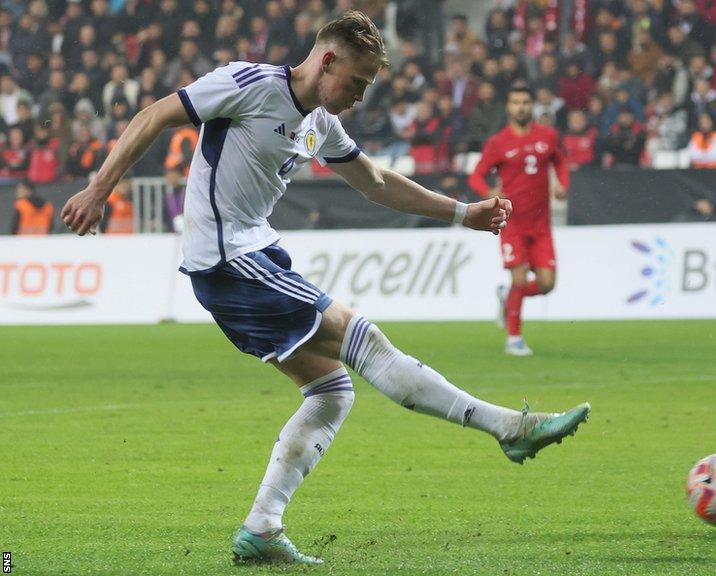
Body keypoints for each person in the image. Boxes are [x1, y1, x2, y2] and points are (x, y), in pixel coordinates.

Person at [60, 11, 590, 565]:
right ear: (327, 59)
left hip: (253, 255)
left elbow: (378, 184)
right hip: (225, 260)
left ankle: (261, 527)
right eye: (357, 82)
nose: (359, 97)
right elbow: (155, 114)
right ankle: (507, 427)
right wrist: (100, 189)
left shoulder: (321, 123)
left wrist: (463, 213)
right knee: (364, 341)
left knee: (332, 392)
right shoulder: (249, 85)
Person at [468, 86, 568, 356]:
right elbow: (476, 175)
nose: (521, 107)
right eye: (515, 102)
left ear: (532, 105)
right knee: (520, 277)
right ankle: (514, 338)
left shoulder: (548, 136)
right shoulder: (498, 142)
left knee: (547, 284)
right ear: (509, 108)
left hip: (541, 225)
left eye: (525, 102)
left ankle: (508, 298)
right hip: (512, 222)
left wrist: (562, 184)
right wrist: (488, 192)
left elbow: (560, 162)